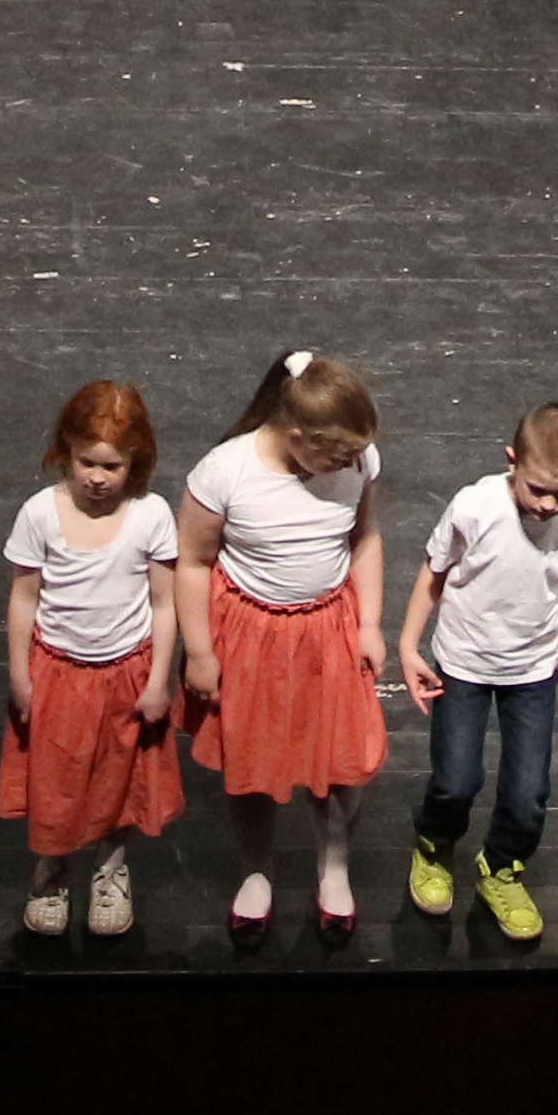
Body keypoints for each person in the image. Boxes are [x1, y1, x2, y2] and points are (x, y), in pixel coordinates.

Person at [177, 351, 388, 946]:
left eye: (354, 455)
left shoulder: (356, 460)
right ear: (297, 437)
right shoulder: (226, 471)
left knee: (339, 762)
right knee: (252, 764)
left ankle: (334, 867)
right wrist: (200, 652)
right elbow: (191, 562)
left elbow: (364, 538)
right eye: (337, 455)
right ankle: (256, 871)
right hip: (252, 635)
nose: (348, 464)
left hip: (327, 630)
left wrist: (369, 625)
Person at [400, 403, 558, 944]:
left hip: (532, 669)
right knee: (455, 780)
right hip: (463, 662)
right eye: (537, 490)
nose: (548, 505)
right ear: (512, 461)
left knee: (529, 791)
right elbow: (435, 570)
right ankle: (434, 846)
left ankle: (502, 867)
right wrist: (407, 643)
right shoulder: (475, 506)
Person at [0, 381, 185, 943]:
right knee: (55, 778)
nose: (97, 478)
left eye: (112, 466)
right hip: (58, 672)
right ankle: (52, 868)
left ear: (136, 462)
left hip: (125, 673)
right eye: (87, 462)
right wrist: (19, 674)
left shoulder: (150, 515)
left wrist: (158, 681)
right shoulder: (40, 513)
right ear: (67, 452)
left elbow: (164, 603)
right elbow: (24, 598)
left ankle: (111, 868)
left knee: (117, 778)